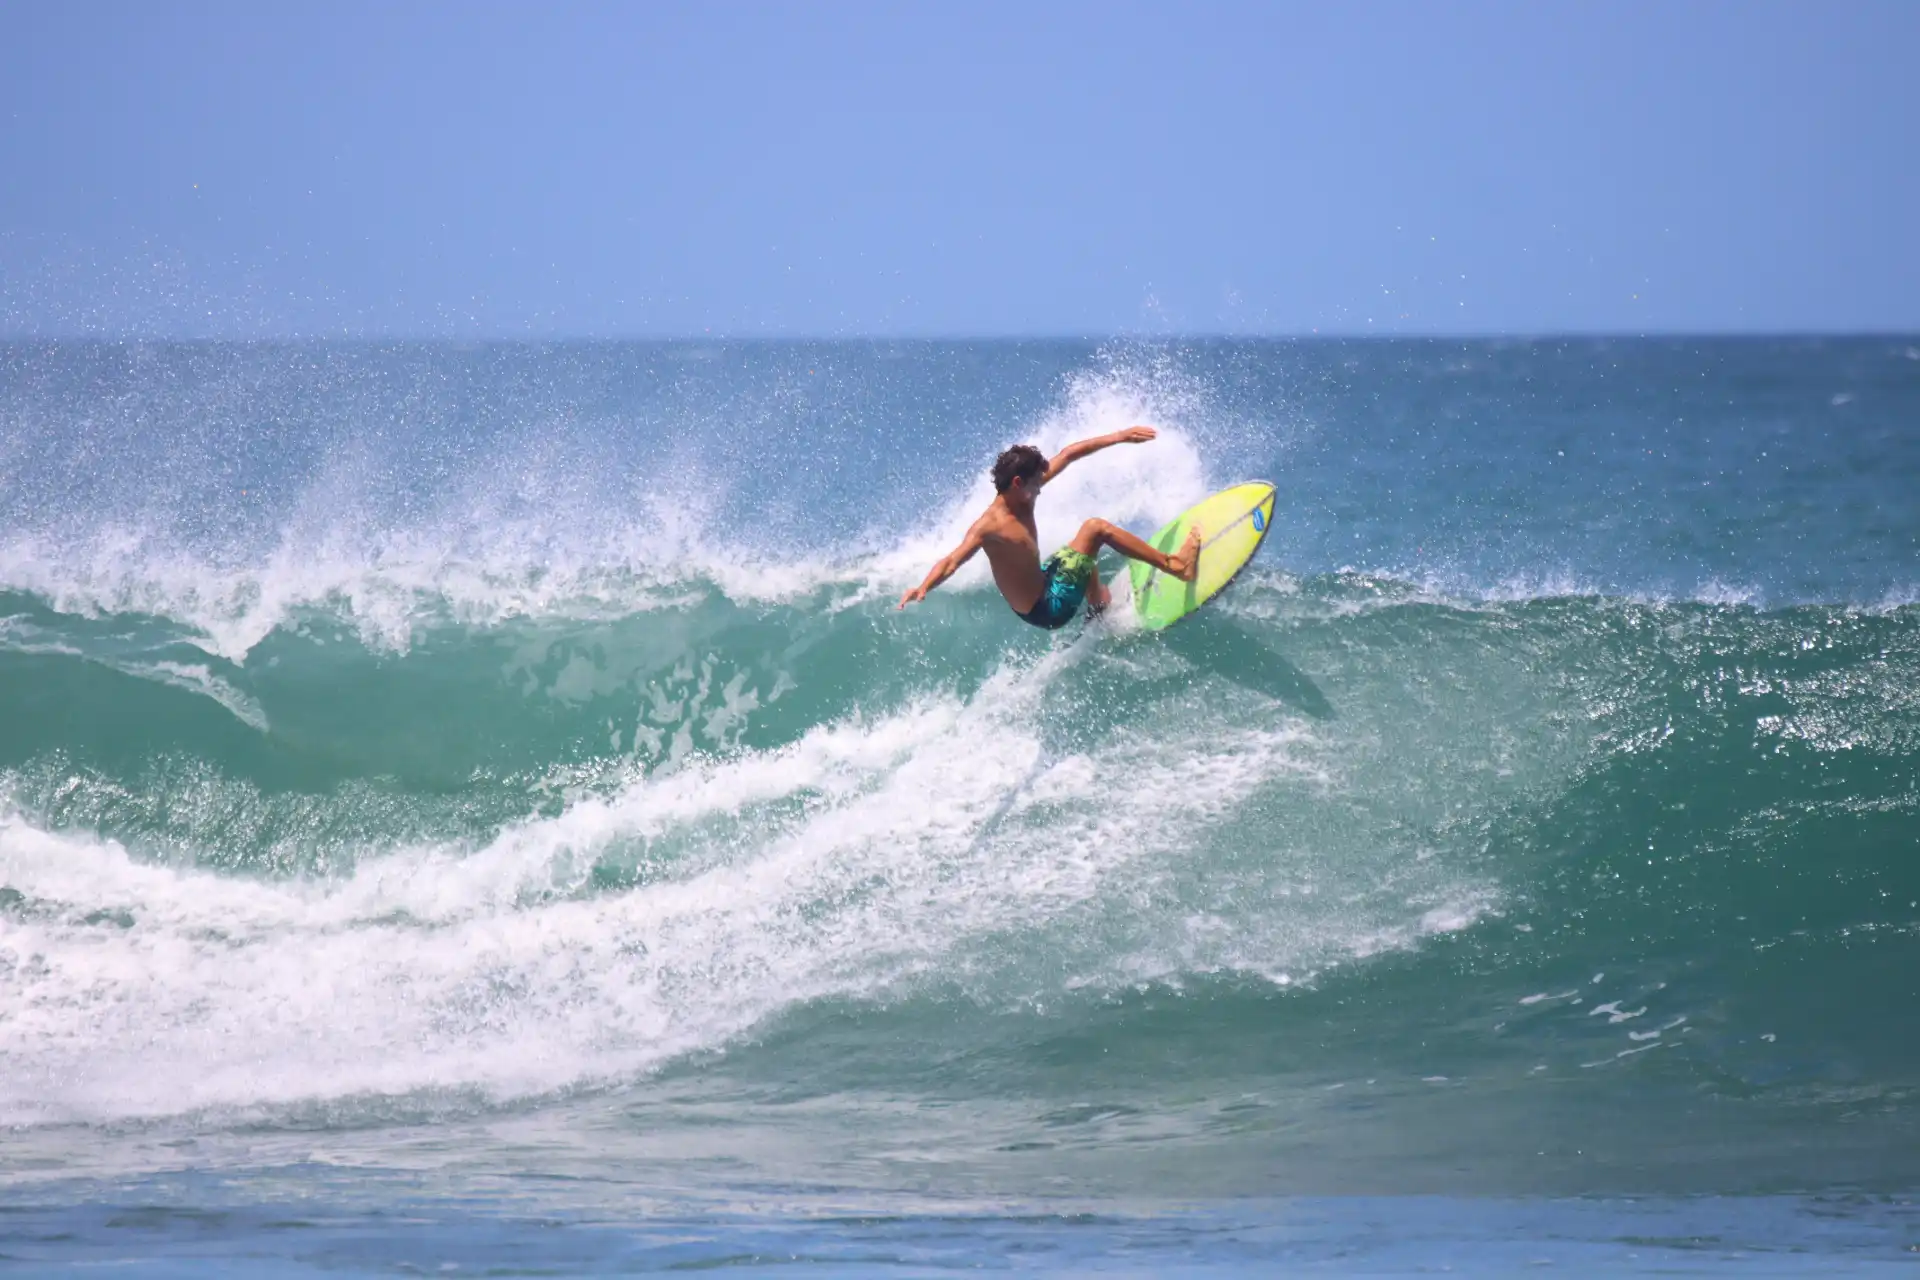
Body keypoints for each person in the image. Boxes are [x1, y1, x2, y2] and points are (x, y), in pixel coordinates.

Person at [897, 426, 1200, 628]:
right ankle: (1177, 566)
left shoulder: (1022, 495)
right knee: (1095, 529)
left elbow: (1068, 454)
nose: (1041, 486)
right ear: (1018, 483)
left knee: (1080, 550)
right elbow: (952, 560)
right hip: (1047, 609)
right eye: (1036, 482)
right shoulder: (991, 526)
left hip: (1043, 584)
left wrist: (1119, 436)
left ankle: (1098, 605)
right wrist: (923, 587)